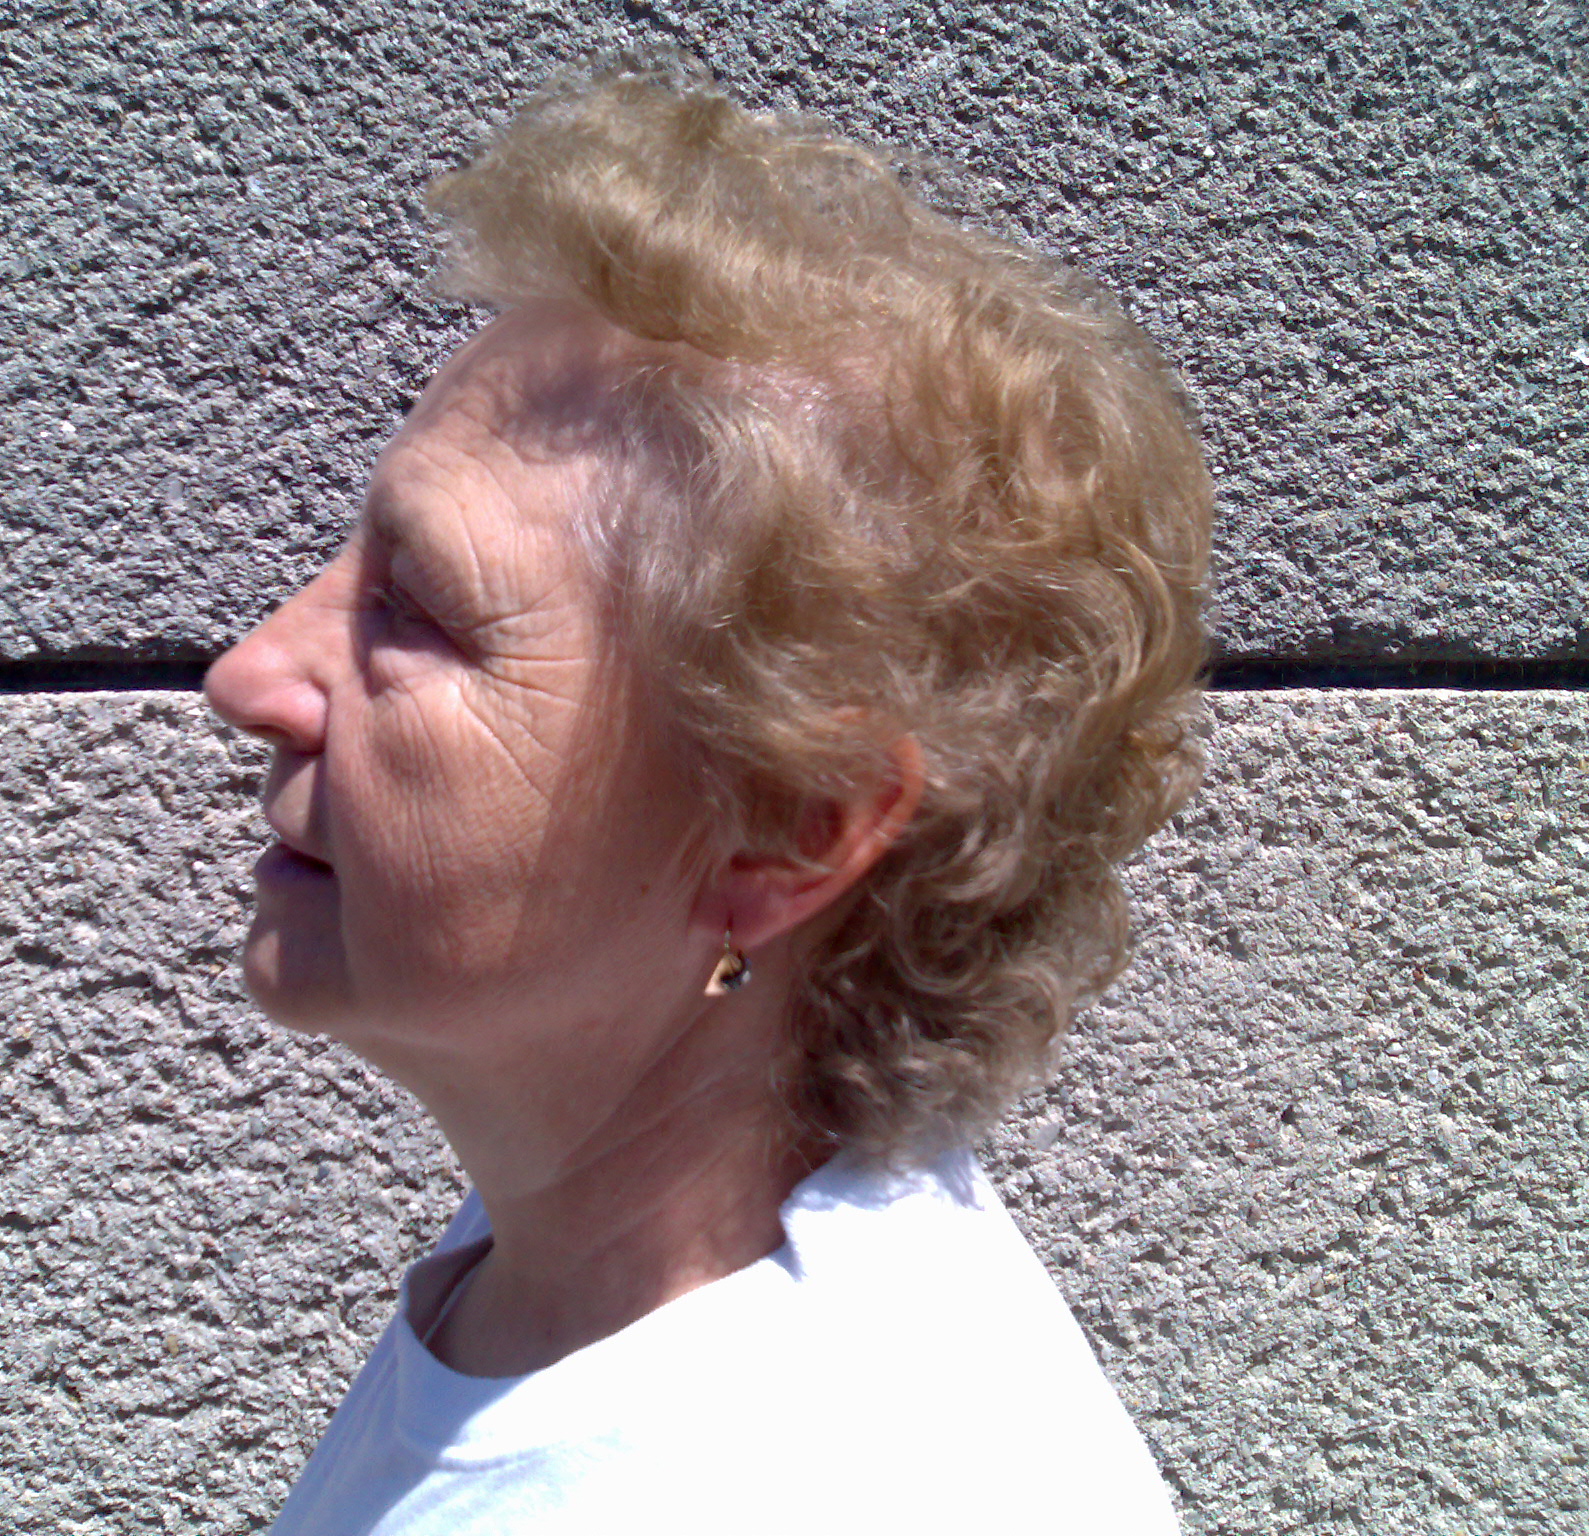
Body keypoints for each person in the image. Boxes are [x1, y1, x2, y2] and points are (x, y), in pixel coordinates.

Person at [203, 60, 1210, 1536]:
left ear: (788, 830)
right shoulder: (569, 1279)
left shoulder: (828, 1490)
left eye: (417, 612)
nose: (251, 673)